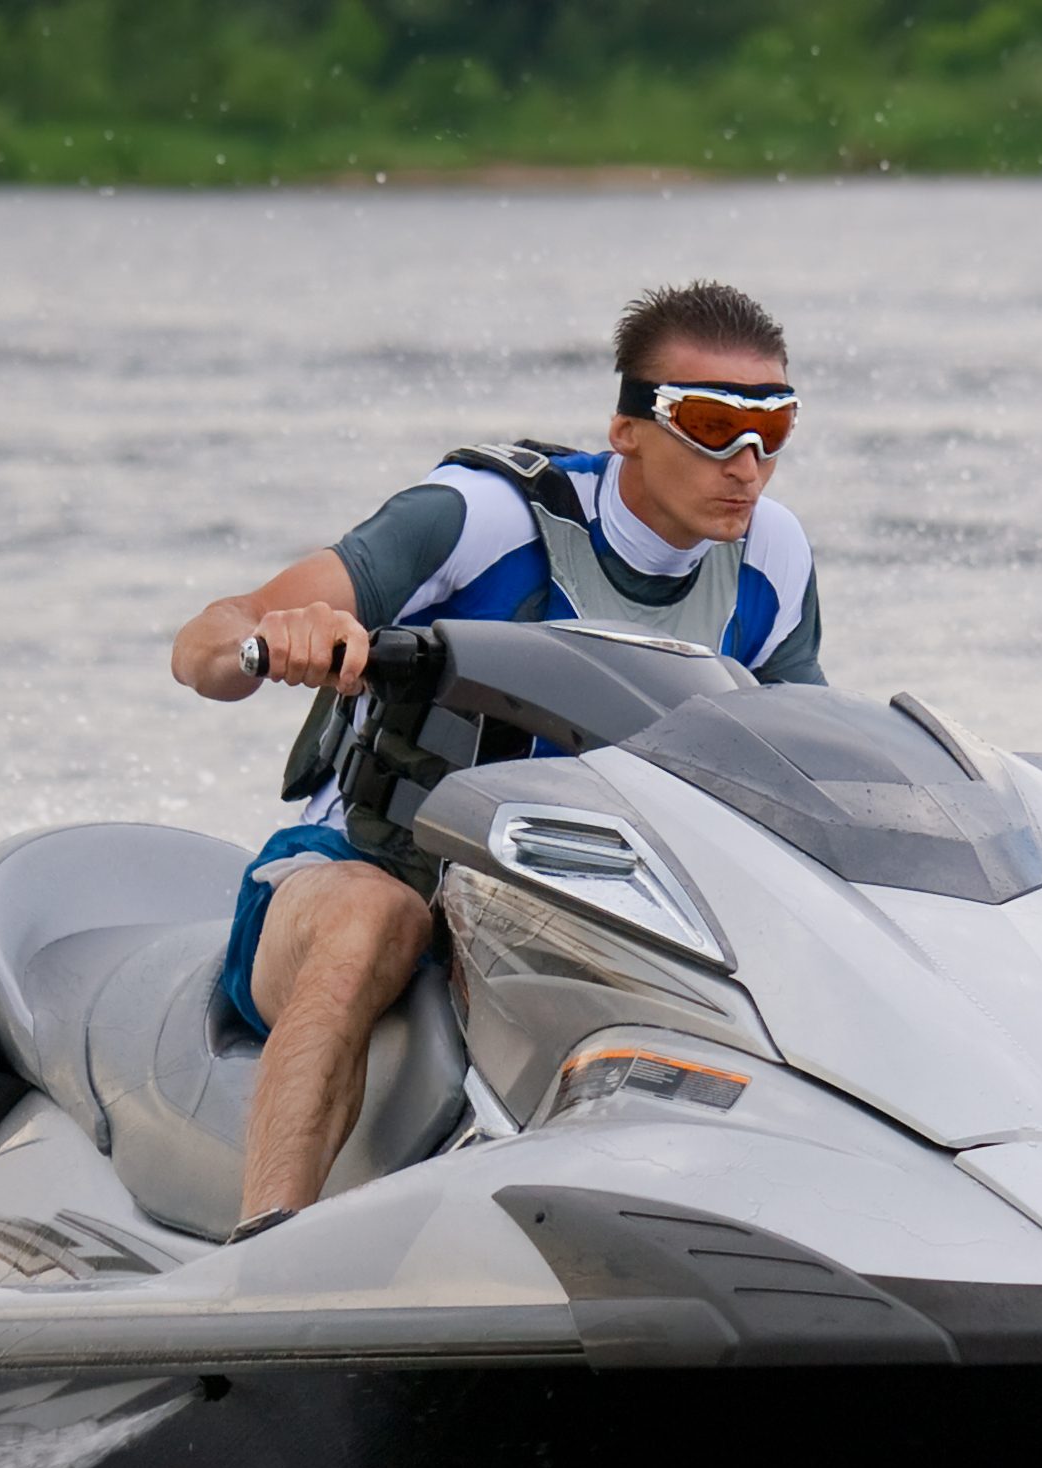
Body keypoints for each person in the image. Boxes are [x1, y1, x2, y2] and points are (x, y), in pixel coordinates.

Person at [170, 279, 823, 1242]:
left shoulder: (773, 557)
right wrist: (276, 636)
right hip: (360, 873)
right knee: (376, 916)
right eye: (713, 425)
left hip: (578, 906)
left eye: (772, 429)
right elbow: (206, 641)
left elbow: (801, 766)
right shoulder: (482, 518)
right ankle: (265, 1246)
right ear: (627, 429)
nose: (746, 463)